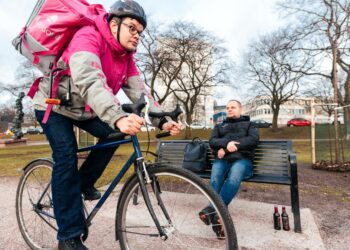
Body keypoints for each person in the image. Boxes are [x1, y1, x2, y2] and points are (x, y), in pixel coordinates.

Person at [32, 1, 181, 249]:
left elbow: (140, 93)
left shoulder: (126, 57)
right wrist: (117, 116)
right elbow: (89, 80)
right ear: (114, 24)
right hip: (54, 106)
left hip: (86, 110)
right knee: (66, 158)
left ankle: (83, 183)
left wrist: (162, 119)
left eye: (140, 33)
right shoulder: (88, 37)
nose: (137, 36)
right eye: (132, 28)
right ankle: (68, 237)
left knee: (113, 135)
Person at [199, 99, 259, 237]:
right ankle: (219, 219)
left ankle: (211, 210)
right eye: (228, 108)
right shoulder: (220, 125)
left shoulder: (250, 124)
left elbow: (253, 140)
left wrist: (235, 146)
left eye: (233, 107)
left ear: (240, 109)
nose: (230, 109)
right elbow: (213, 141)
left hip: (242, 160)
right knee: (215, 179)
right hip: (222, 160)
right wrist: (227, 144)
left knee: (233, 177)